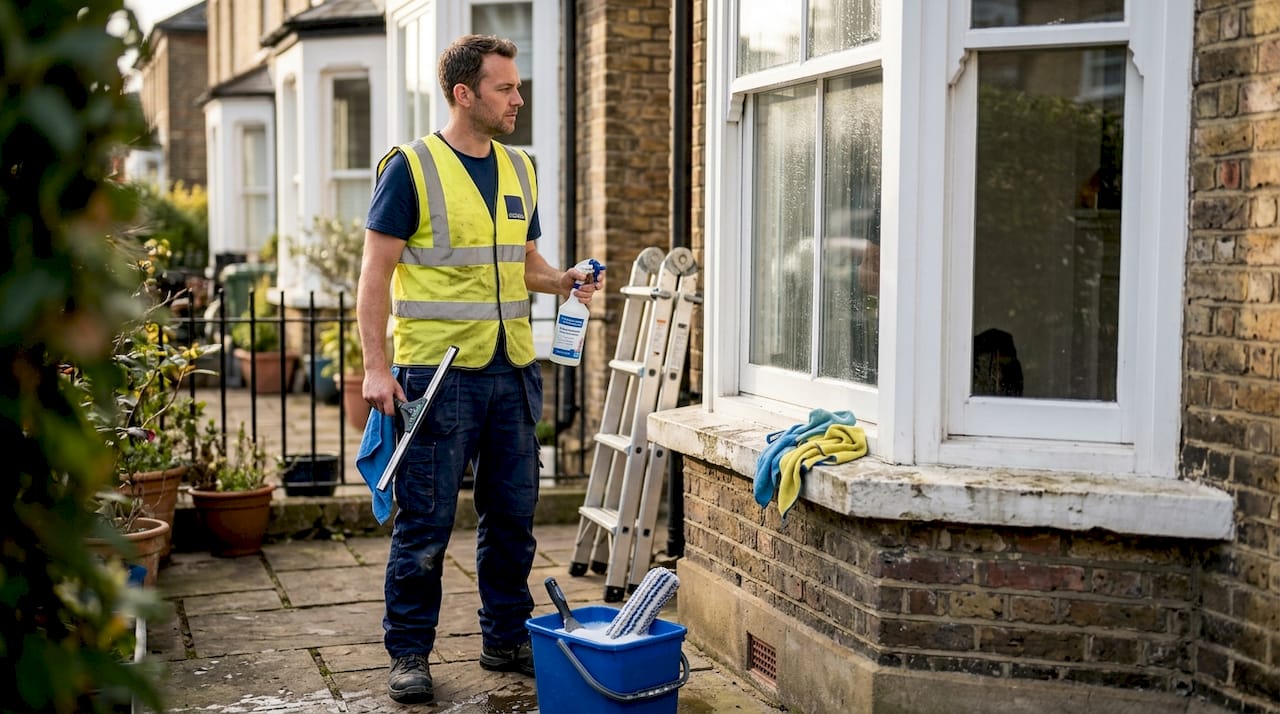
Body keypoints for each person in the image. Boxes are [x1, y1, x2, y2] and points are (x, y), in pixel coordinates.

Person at [356, 34, 601, 705]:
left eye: (518, 87)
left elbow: (521, 264)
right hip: (439, 378)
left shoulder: (521, 170)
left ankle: (504, 637)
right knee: (426, 524)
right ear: (465, 94)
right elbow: (374, 274)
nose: (518, 98)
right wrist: (376, 369)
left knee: (514, 520)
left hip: (513, 372)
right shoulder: (411, 168)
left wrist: (563, 281)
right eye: (505, 88)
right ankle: (409, 651)